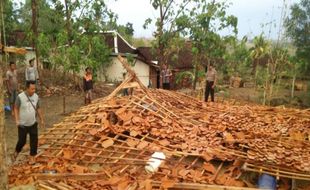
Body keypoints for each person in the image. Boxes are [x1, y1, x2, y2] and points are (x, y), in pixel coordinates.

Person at [13, 81, 45, 164]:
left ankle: (32, 157)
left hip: (33, 123)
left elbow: (38, 108)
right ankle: (16, 151)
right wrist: (17, 120)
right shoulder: (20, 97)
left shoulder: (36, 97)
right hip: (22, 125)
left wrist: (41, 119)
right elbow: (16, 108)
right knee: (22, 141)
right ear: (27, 88)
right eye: (32, 89)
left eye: (34, 89)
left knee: (34, 141)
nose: (34, 90)